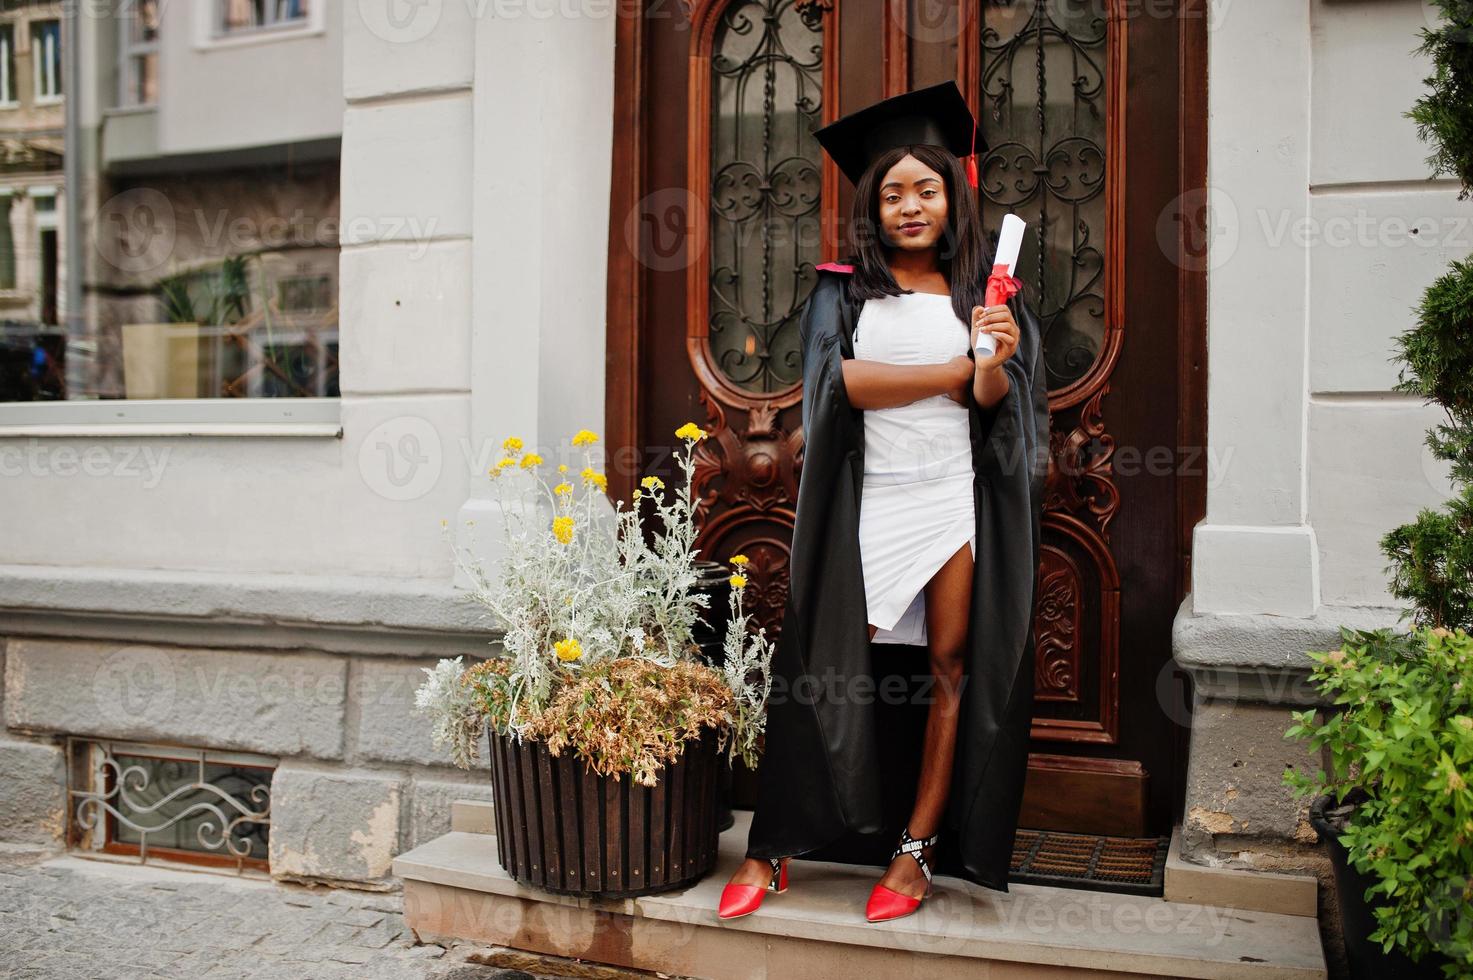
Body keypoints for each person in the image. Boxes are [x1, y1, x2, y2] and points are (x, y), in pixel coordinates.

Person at [715, 81, 1050, 923]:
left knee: (946, 669)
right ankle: (775, 843)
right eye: (893, 192)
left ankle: (915, 850)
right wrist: (951, 371)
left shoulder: (987, 293)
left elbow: (992, 405)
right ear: (874, 203)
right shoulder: (843, 289)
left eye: (926, 190)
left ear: (952, 197)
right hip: (870, 504)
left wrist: (992, 362)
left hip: (952, 502)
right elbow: (840, 386)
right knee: (826, 663)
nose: (910, 206)